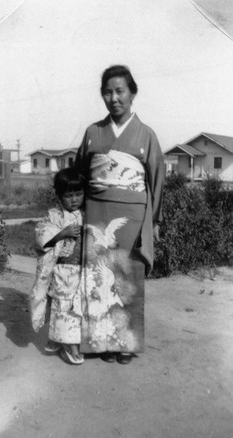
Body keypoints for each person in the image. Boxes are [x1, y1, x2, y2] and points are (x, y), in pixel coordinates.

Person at [75, 64, 165, 364]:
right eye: (107, 92)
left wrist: (153, 221)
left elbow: (156, 179)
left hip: (133, 212)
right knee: (98, 276)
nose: (113, 98)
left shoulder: (146, 135)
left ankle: (125, 343)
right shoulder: (92, 133)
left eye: (120, 91)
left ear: (132, 93)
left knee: (127, 275)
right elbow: (79, 173)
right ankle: (101, 342)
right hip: (97, 208)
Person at [29, 167, 85, 365]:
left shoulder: (87, 214)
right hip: (63, 269)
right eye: (68, 196)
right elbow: (42, 235)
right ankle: (70, 345)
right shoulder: (54, 216)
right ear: (60, 196)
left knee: (76, 305)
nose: (74, 200)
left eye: (78, 194)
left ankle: (57, 338)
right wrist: (62, 233)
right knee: (63, 304)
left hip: (83, 269)